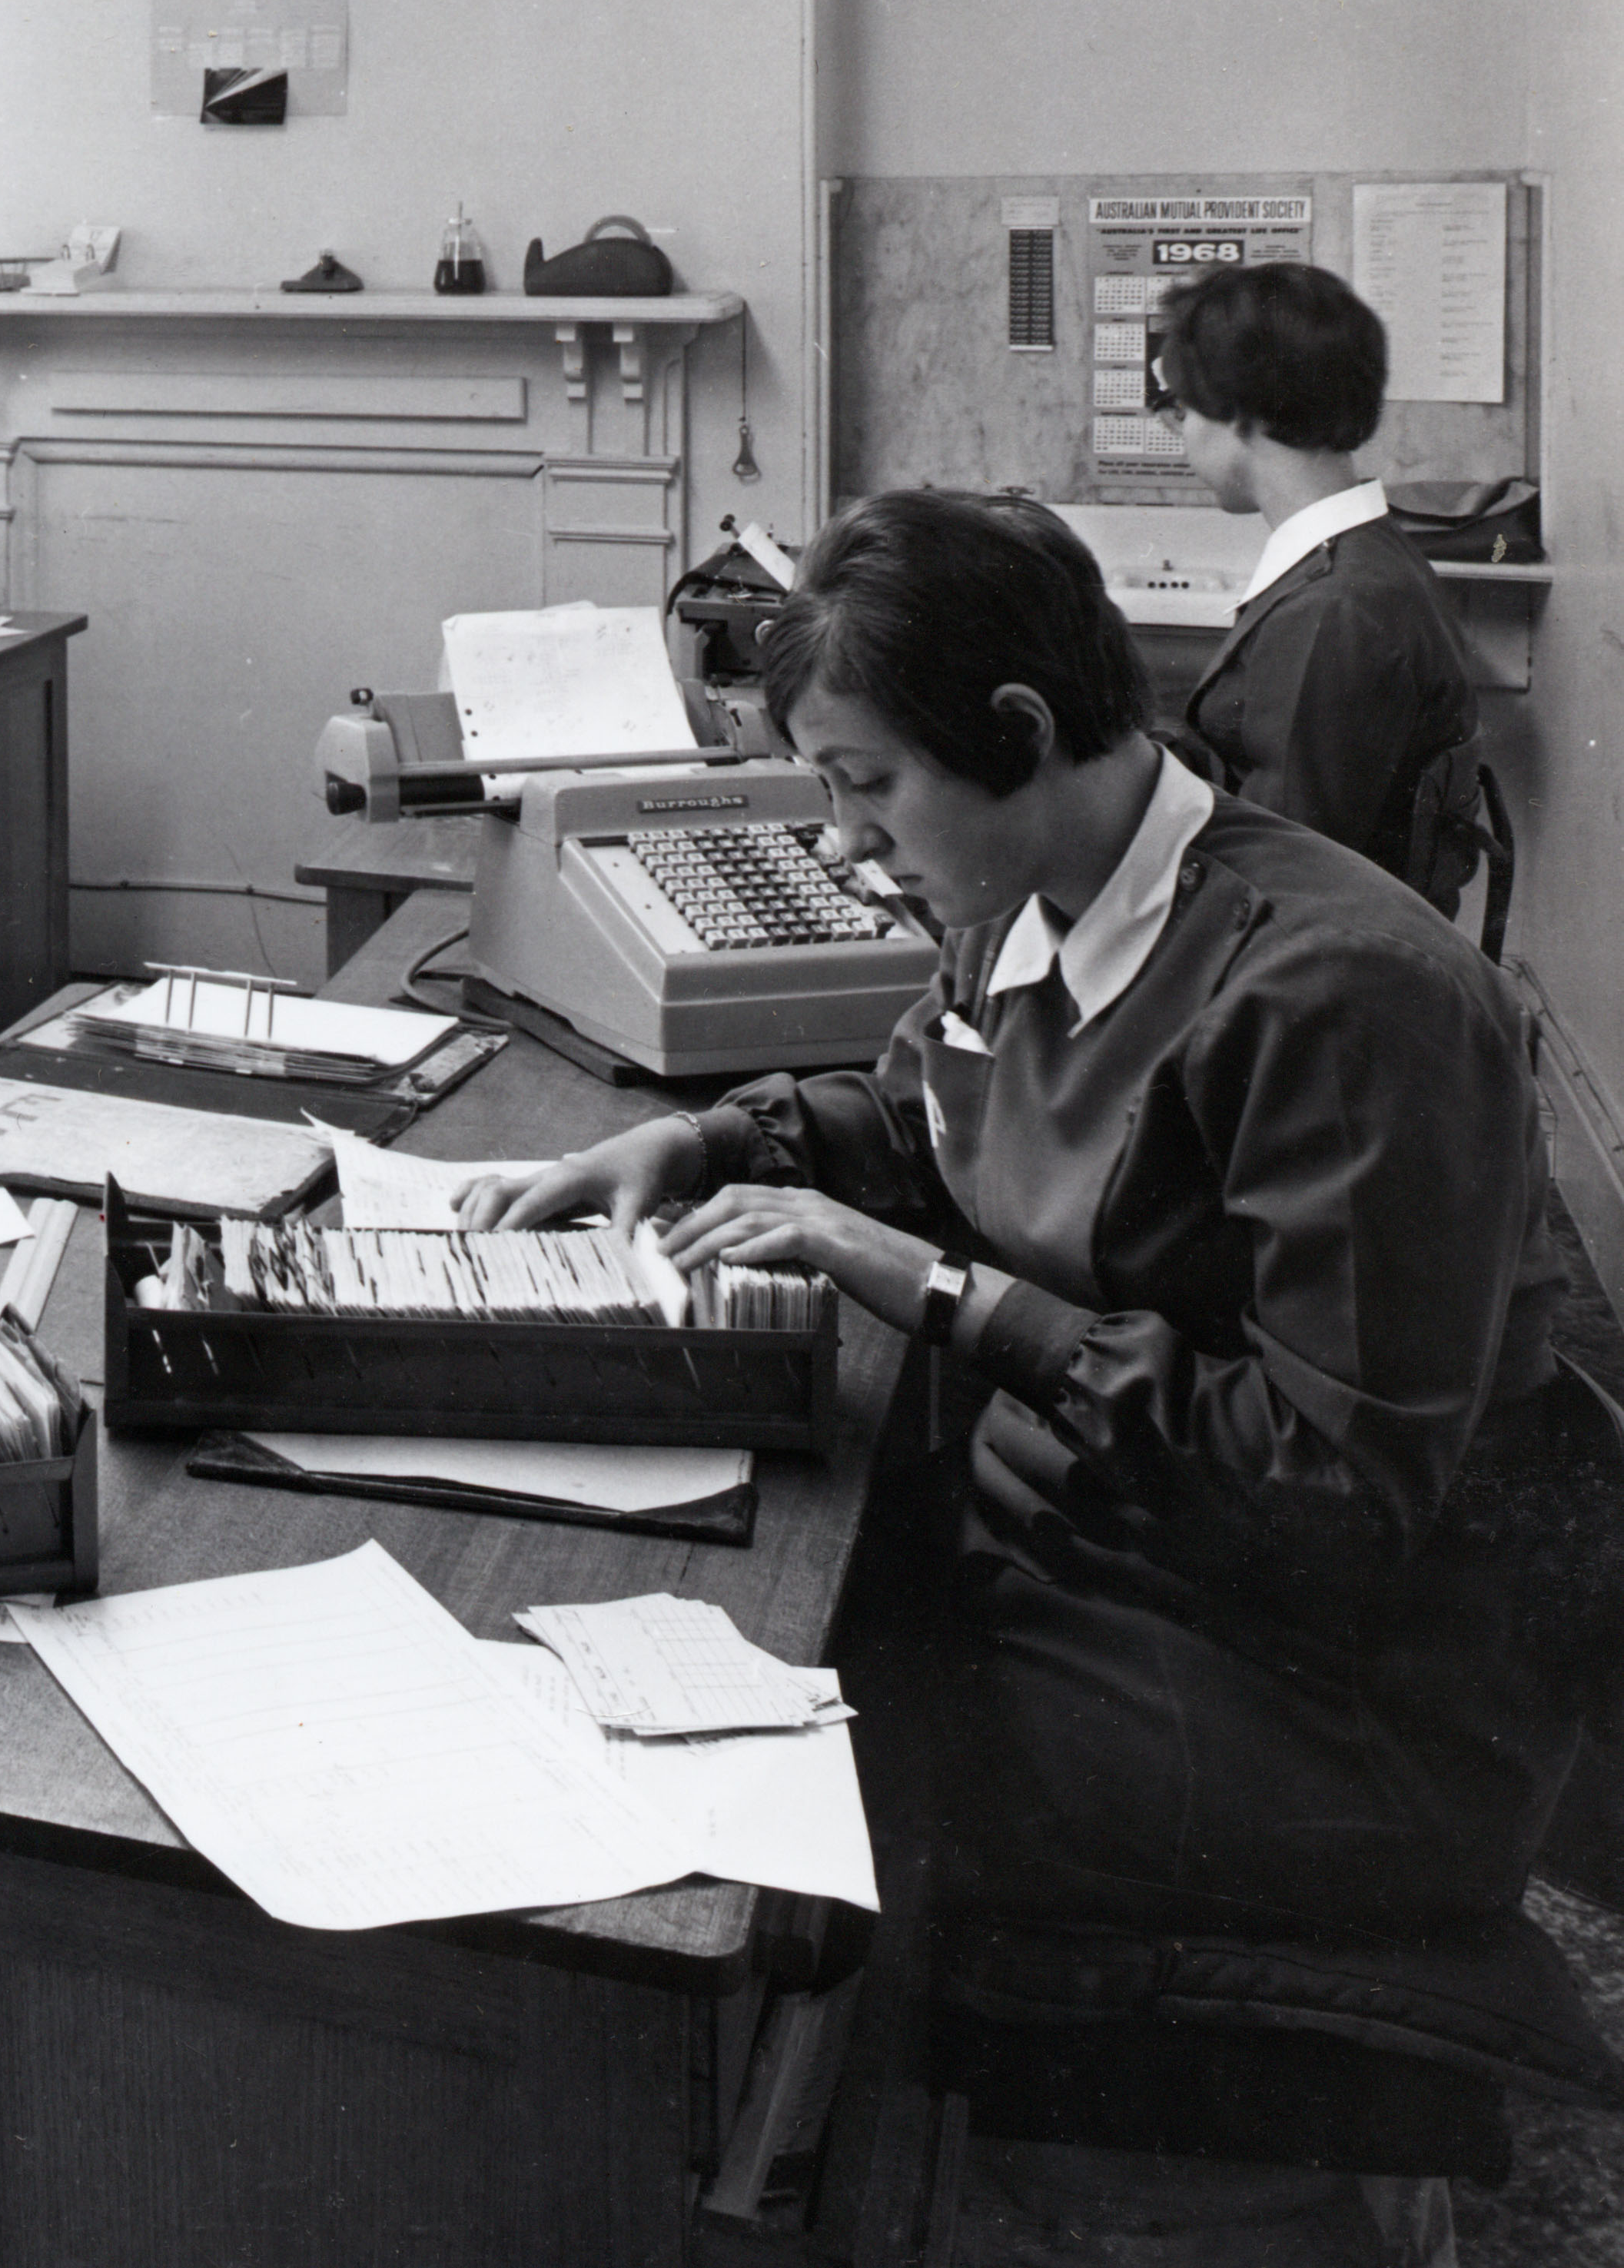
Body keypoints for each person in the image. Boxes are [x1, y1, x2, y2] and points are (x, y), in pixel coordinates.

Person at [468, 491, 1620, 2252]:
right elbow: (939, 1119)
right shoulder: (1027, 893)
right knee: (743, 1682)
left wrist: (921, 1286)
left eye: (862, 784)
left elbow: (1330, 1485)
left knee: (786, 1751)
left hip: (1322, 1679)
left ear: (1012, 733)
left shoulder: (1347, 992)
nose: (842, 839)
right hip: (1131, 1559)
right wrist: (710, 1145)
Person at [1157, 260, 1484, 905]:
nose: (1182, 437)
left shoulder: (1333, 610)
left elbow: (1278, 876)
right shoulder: (1371, 563)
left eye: (1185, 411)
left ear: (1242, 417)